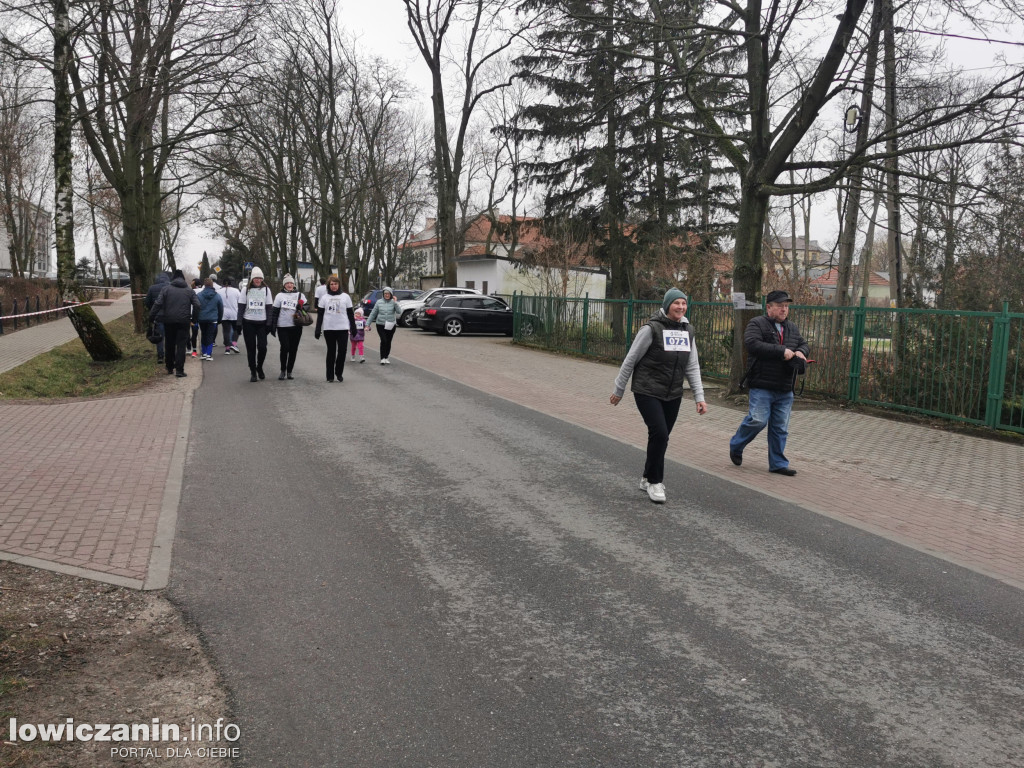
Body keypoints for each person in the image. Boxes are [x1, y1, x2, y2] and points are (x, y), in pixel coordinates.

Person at [609, 288, 708, 504]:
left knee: (660, 438)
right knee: (660, 433)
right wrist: (619, 389)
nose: (681, 307)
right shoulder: (651, 329)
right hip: (647, 390)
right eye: (676, 303)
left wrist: (699, 397)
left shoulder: (687, 331)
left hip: (673, 393)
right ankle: (656, 482)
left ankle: (646, 477)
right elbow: (630, 360)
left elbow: (692, 366)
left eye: (683, 303)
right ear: (667, 305)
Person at [729, 290, 810, 476]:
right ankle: (736, 444)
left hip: (785, 386)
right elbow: (752, 344)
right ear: (769, 307)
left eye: (786, 306)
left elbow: (803, 344)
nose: (784, 309)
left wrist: (801, 352)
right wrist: (781, 351)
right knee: (757, 420)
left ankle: (778, 463)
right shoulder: (757, 323)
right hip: (762, 384)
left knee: (780, 428)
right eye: (780, 305)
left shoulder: (792, 328)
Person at [151, 270, 200, 378]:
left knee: (169, 344)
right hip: (184, 321)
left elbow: (157, 303)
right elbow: (197, 305)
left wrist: (151, 317)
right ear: (183, 279)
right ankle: (179, 370)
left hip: (168, 321)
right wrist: (194, 319)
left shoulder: (166, 289)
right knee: (181, 345)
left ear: (173, 278)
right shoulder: (189, 290)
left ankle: (169, 367)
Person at [314, 274, 355, 382]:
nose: (334, 286)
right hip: (329, 328)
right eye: (331, 284)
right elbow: (321, 315)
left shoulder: (345, 297)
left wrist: (353, 327)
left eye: (335, 284)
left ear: (339, 285)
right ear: (328, 286)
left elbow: (350, 313)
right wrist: (318, 329)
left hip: (342, 328)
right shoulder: (324, 298)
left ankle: (338, 372)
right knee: (331, 351)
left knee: (342, 351)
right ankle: (330, 375)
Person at [238, 267, 274, 382]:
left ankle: (259, 367)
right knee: (251, 349)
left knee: (263, 348)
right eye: (256, 278)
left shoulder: (267, 290)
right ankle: (253, 371)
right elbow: (241, 307)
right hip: (248, 322)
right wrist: (238, 323)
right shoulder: (245, 290)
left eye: (259, 278)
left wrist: (269, 323)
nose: (258, 280)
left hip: (262, 323)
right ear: (252, 279)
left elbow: (269, 308)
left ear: (262, 279)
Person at [271, 274, 307, 380]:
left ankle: (290, 371)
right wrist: (273, 326)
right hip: (282, 326)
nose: (289, 285)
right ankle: (283, 370)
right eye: (287, 283)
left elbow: (307, 306)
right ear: (284, 285)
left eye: (291, 283)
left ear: (294, 285)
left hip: (296, 325)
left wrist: (301, 306)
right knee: (285, 347)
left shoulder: (299, 295)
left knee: (293, 349)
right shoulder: (279, 296)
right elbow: (275, 312)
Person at [367, 286, 400, 365]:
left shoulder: (393, 302)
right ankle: (382, 358)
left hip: (391, 325)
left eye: (388, 293)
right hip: (380, 324)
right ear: (383, 294)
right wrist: (367, 324)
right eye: (385, 293)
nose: (387, 295)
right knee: (384, 340)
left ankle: (386, 357)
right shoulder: (379, 302)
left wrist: (395, 302)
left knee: (388, 341)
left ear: (391, 294)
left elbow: (399, 311)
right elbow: (373, 314)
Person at [144, 271, 171, 365]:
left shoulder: (152, 288)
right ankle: (170, 355)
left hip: (158, 316)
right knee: (169, 337)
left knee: (159, 336)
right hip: (170, 316)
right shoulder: (171, 287)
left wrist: (152, 310)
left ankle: (160, 356)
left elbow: (147, 302)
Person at [196, 278, 223, 361]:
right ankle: (209, 354)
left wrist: (196, 318)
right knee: (210, 335)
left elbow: (196, 307)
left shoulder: (199, 295)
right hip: (213, 319)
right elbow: (220, 308)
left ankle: (203, 353)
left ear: (204, 285)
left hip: (202, 318)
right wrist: (219, 319)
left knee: (204, 334)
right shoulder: (217, 295)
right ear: (212, 285)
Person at [219, 276, 241, 354]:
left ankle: (227, 349)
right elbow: (240, 301)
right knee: (236, 330)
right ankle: (234, 344)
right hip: (234, 313)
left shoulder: (219, 291)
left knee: (226, 331)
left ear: (223, 283)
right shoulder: (236, 291)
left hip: (224, 314)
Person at [188, 278, 202, 357]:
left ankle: (194, 350)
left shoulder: (190, 291)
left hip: (191, 315)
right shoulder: (202, 291)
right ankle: (206, 350)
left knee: (194, 334)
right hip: (201, 315)